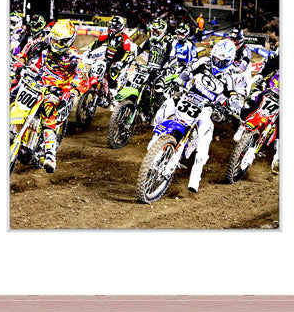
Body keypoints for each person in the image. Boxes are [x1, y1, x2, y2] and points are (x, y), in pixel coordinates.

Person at [150, 38, 246, 193]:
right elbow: (188, 70)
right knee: (166, 106)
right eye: (216, 59)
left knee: (205, 137)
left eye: (222, 62)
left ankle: (195, 177)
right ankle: (154, 141)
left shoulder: (229, 76)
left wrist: (233, 105)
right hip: (187, 97)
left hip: (206, 107)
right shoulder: (204, 61)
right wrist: (179, 81)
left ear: (229, 61)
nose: (217, 63)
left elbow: (233, 93)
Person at [17, 19, 82, 173]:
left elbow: (81, 74)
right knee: (14, 92)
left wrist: (74, 90)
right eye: (54, 39)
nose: (55, 44)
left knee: (48, 111)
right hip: (39, 80)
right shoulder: (46, 41)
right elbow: (29, 48)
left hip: (57, 89)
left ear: (68, 41)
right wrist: (20, 61)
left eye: (60, 42)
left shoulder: (73, 56)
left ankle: (50, 155)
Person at [87, 15, 133, 98]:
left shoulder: (124, 38)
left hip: (118, 62)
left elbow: (127, 51)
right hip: (107, 59)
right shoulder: (109, 33)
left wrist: (121, 62)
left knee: (111, 76)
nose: (114, 27)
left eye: (116, 26)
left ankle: (113, 94)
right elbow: (98, 41)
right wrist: (89, 49)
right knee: (95, 70)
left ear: (121, 26)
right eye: (113, 25)